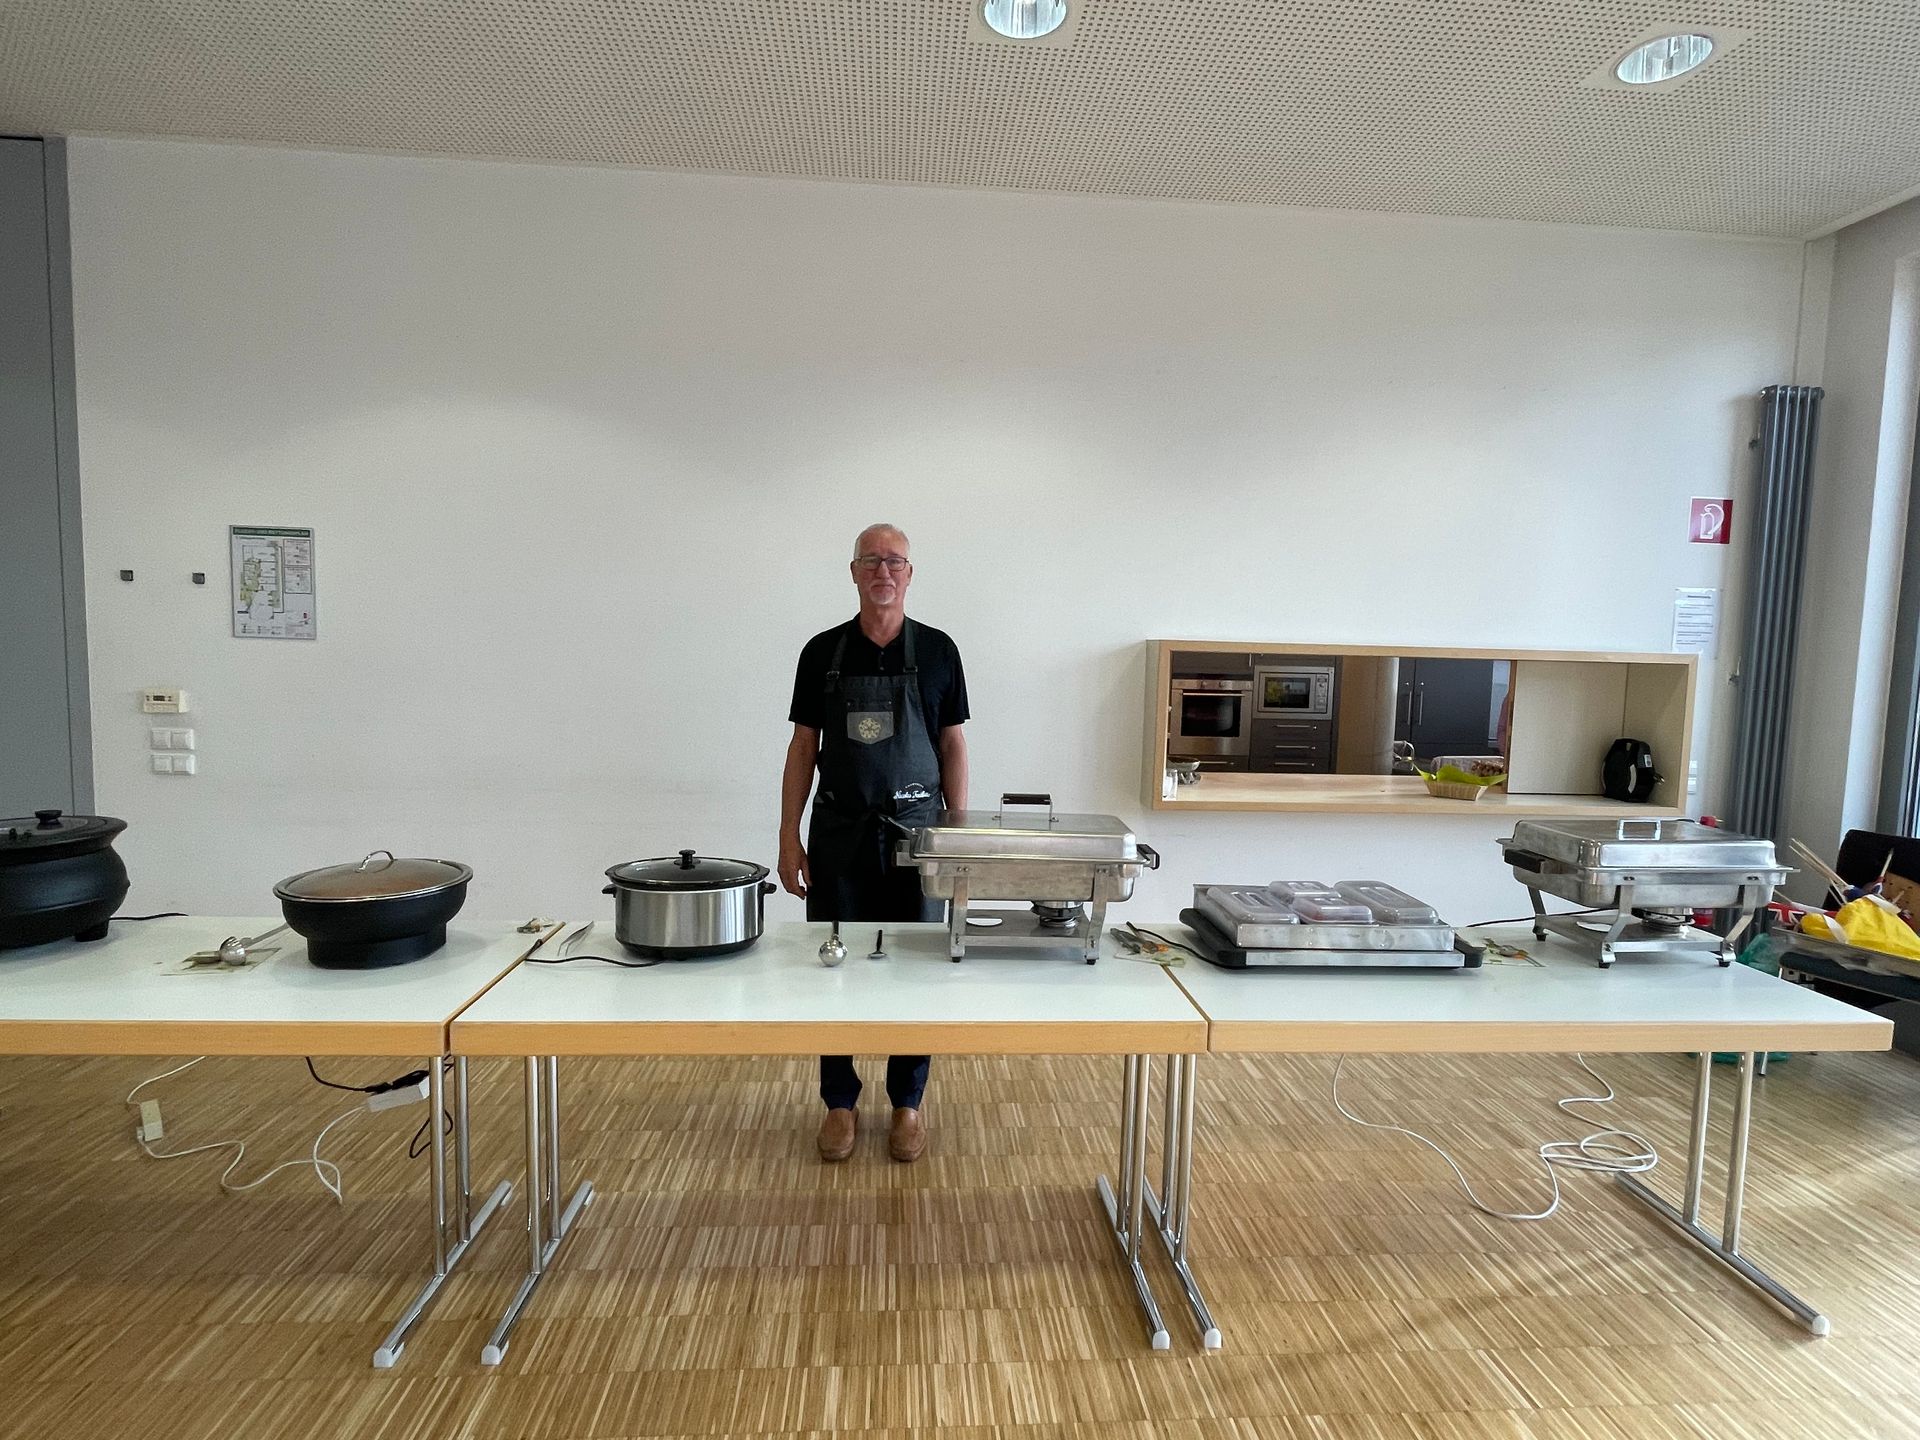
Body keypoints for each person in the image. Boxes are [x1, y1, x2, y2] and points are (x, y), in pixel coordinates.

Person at [779, 524, 969, 1163]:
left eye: (894, 561)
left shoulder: (939, 651)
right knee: (832, 963)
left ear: (909, 573)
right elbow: (803, 747)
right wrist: (788, 836)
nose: (883, 571)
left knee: (917, 967)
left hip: (918, 834)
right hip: (839, 833)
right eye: (871, 561)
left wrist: (956, 836)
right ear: (854, 572)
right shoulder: (821, 652)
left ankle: (907, 1102)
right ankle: (839, 1101)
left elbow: (952, 745)